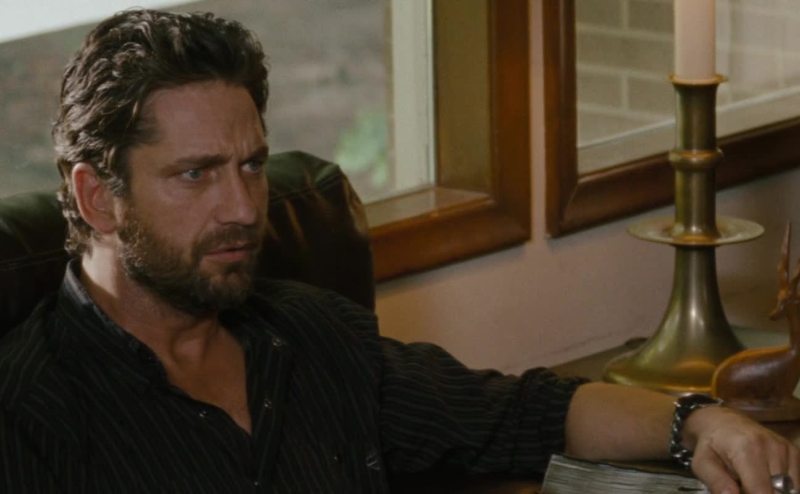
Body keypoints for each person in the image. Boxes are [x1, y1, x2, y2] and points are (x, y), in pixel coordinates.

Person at [0, 9, 797, 494]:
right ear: (98, 198)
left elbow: (526, 414)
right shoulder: (31, 417)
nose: (243, 208)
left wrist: (702, 423)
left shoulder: (311, 336)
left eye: (251, 165)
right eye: (196, 174)